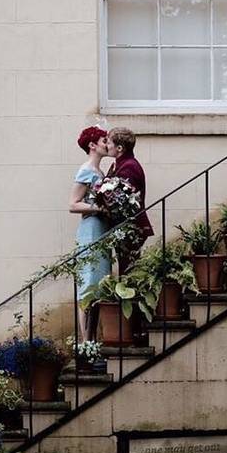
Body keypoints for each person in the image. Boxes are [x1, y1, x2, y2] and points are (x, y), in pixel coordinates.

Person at [69, 126, 111, 341]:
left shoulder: (100, 173)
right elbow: (73, 204)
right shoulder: (86, 170)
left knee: (100, 285)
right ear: (92, 145)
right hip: (90, 229)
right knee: (88, 283)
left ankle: (92, 338)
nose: (107, 143)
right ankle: (86, 341)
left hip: (101, 229)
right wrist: (98, 208)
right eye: (104, 140)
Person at [105, 127, 154, 274]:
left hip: (131, 228)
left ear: (119, 148)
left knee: (128, 269)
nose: (107, 146)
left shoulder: (129, 167)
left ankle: (131, 296)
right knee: (125, 267)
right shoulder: (119, 164)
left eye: (109, 143)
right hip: (125, 227)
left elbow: (124, 200)